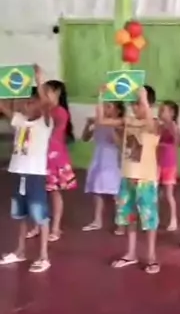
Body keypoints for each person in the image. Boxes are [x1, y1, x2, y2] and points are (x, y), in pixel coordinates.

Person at [98, 85, 160, 274]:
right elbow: (102, 120)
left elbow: (150, 125)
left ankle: (151, 257)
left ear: (148, 104)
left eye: (138, 104)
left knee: (149, 220)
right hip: (127, 177)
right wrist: (101, 97)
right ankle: (131, 253)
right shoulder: (128, 121)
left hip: (145, 179)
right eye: (133, 104)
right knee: (130, 217)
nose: (134, 107)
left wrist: (144, 99)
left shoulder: (154, 122)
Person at [0, 67, 53, 273]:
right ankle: (20, 251)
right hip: (18, 172)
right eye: (27, 102)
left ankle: (44, 256)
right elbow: (3, 106)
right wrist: (6, 84)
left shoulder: (44, 123)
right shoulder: (20, 121)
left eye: (32, 102)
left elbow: (46, 102)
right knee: (20, 215)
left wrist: (39, 81)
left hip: (34, 175)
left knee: (40, 215)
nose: (27, 105)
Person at [27, 79, 76, 241]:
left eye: (47, 91)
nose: (43, 95)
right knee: (38, 193)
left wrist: (38, 79)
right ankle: (37, 225)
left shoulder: (60, 112)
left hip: (54, 158)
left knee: (54, 192)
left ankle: (55, 228)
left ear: (57, 93)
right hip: (39, 156)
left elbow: (48, 119)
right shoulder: (41, 110)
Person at [82, 102, 125, 232]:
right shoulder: (99, 123)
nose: (105, 109)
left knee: (116, 192)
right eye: (104, 106)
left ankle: (121, 223)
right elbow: (85, 138)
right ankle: (97, 220)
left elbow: (120, 144)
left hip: (112, 160)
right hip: (99, 158)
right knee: (97, 190)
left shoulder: (119, 124)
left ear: (118, 110)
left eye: (109, 107)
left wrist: (112, 129)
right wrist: (88, 124)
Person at [157, 100, 180, 231]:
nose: (159, 112)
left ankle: (173, 219)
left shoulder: (173, 126)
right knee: (155, 192)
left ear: (171, 113)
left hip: (169, 164)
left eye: (162, 110)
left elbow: (176, 141)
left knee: (168, 194)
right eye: (159, 109)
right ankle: (154, 217)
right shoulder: (160, 126)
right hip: (158, 163)